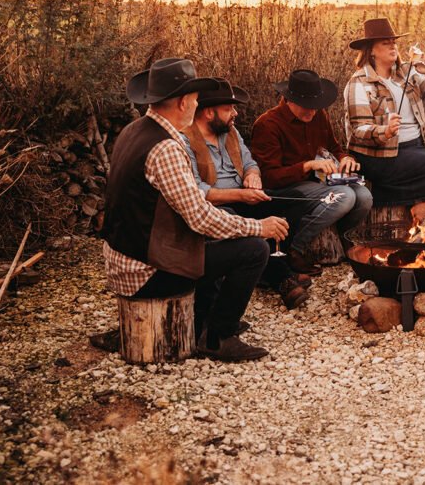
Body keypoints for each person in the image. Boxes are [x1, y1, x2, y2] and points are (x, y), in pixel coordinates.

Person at [99, 58, 290, 362]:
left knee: (220, 238)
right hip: (145, 271)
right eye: (196, 98)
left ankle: (203, 321)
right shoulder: (166, 148)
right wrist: (260, 228)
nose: (198, 103)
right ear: (183, 102)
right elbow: (200, 217)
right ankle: (218, 337)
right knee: (253, 249)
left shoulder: (134, 130)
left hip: (127, 256)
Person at [181, 78, 312, 310]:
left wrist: (253, 176)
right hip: (217, 206)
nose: (235, 113)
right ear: (209, 113)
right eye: (228, 108)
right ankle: (282, 279)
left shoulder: (229, 131)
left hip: (246, 195)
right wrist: (240, 196)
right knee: (232, 213)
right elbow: (197, 192)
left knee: (296, 201)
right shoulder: (184, 140)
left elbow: (250, 161)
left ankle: (268, 266)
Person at [343, 18, 425, 230]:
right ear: (371, 51)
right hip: (379, 156)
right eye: (385, 42)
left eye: (394, 42)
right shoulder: (359, 82)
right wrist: (386, 130)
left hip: (415, 148)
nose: (393, 46)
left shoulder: (406, 73)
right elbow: (358, 130)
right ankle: (418, 219)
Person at [250, 69, 373, 270]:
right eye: (306, 107)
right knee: (344, 196)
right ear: (288, 99)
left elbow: (334, 147)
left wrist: (345, 159)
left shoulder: (319, 115)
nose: (312, 112)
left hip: (318, 181)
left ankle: (343, 239)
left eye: (316, 106)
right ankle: (294, 247)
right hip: (287, 187)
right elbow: (270, 178)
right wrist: (307, 165)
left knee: (365, 196)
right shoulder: (267, 124)